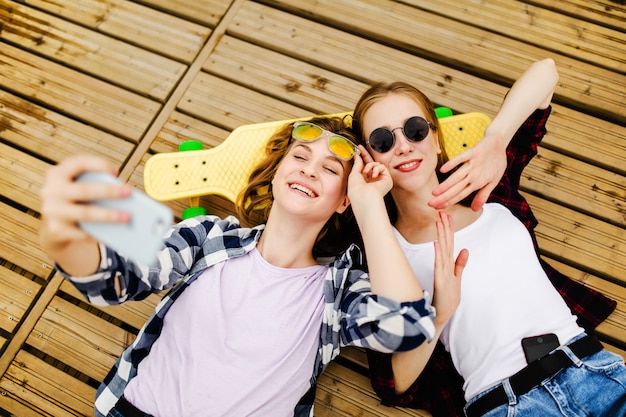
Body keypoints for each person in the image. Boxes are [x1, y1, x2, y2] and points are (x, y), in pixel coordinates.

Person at [39, 116, 467, 417]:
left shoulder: (336, 290)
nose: (310, 170)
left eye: (331, 168)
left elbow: (407, 327)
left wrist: (371, 202)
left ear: (344, 200)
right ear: (278, 173)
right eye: (299, 156)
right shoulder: (209, 238)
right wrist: (65, 237)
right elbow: (117, 280)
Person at [351, 58, 625, 417]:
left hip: (593, 370)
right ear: (367, 156)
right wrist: (439, 312)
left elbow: (546, 73)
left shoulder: (489, 187)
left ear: (436, 139)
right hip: (509, 404)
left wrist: (496, 138)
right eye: (383, 140)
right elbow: (395, 383)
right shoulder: (383, 249)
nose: (402, 145)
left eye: (415, 129)